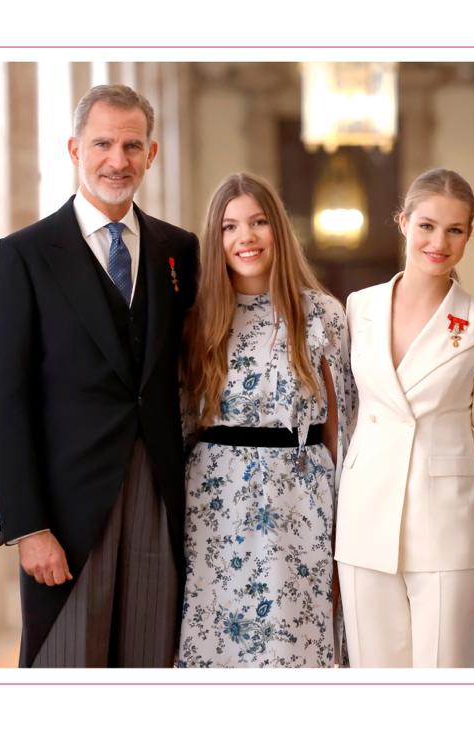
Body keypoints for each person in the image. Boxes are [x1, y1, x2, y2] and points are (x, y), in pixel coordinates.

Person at [0, 84, 199, 668]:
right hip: (66, 512)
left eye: (132, 145)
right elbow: (2, 403)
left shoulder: (180, 252)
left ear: (152, 155)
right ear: (75, 149)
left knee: (151, 658)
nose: (117, 160)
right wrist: (27, 528)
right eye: (102, 143)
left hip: (157, 494)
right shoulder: (22, 256)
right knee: (64, 664)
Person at [334, 169, 474, 668]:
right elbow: (347, 417)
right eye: (427, 226)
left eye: (455, 230)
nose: (439, 242)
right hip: (365, 519)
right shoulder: (358, 309)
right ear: (403, 223)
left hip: (448, 525)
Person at [176, 172, 355, 668]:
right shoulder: (196, 320)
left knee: (294, 647)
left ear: (278, 229)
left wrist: (346, 529)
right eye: (230, 227)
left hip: (300, 500)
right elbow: (181, 424)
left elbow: (343, 429)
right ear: (216, 240)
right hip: (214, 507)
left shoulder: (322, 314)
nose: (246, 237)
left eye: (258, 222)